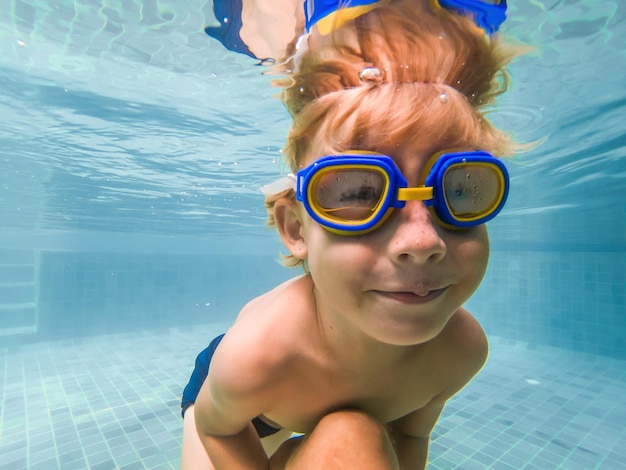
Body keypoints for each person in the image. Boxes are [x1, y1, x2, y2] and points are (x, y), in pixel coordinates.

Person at [181, 1, 523, 468]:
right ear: (295, 229)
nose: (422, 242)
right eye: (359, 191)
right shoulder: (258, 354)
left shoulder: (461, 351)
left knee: (355, 438)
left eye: (462, 189)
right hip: (242, 409)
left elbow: (409, 438)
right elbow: (217, 426)